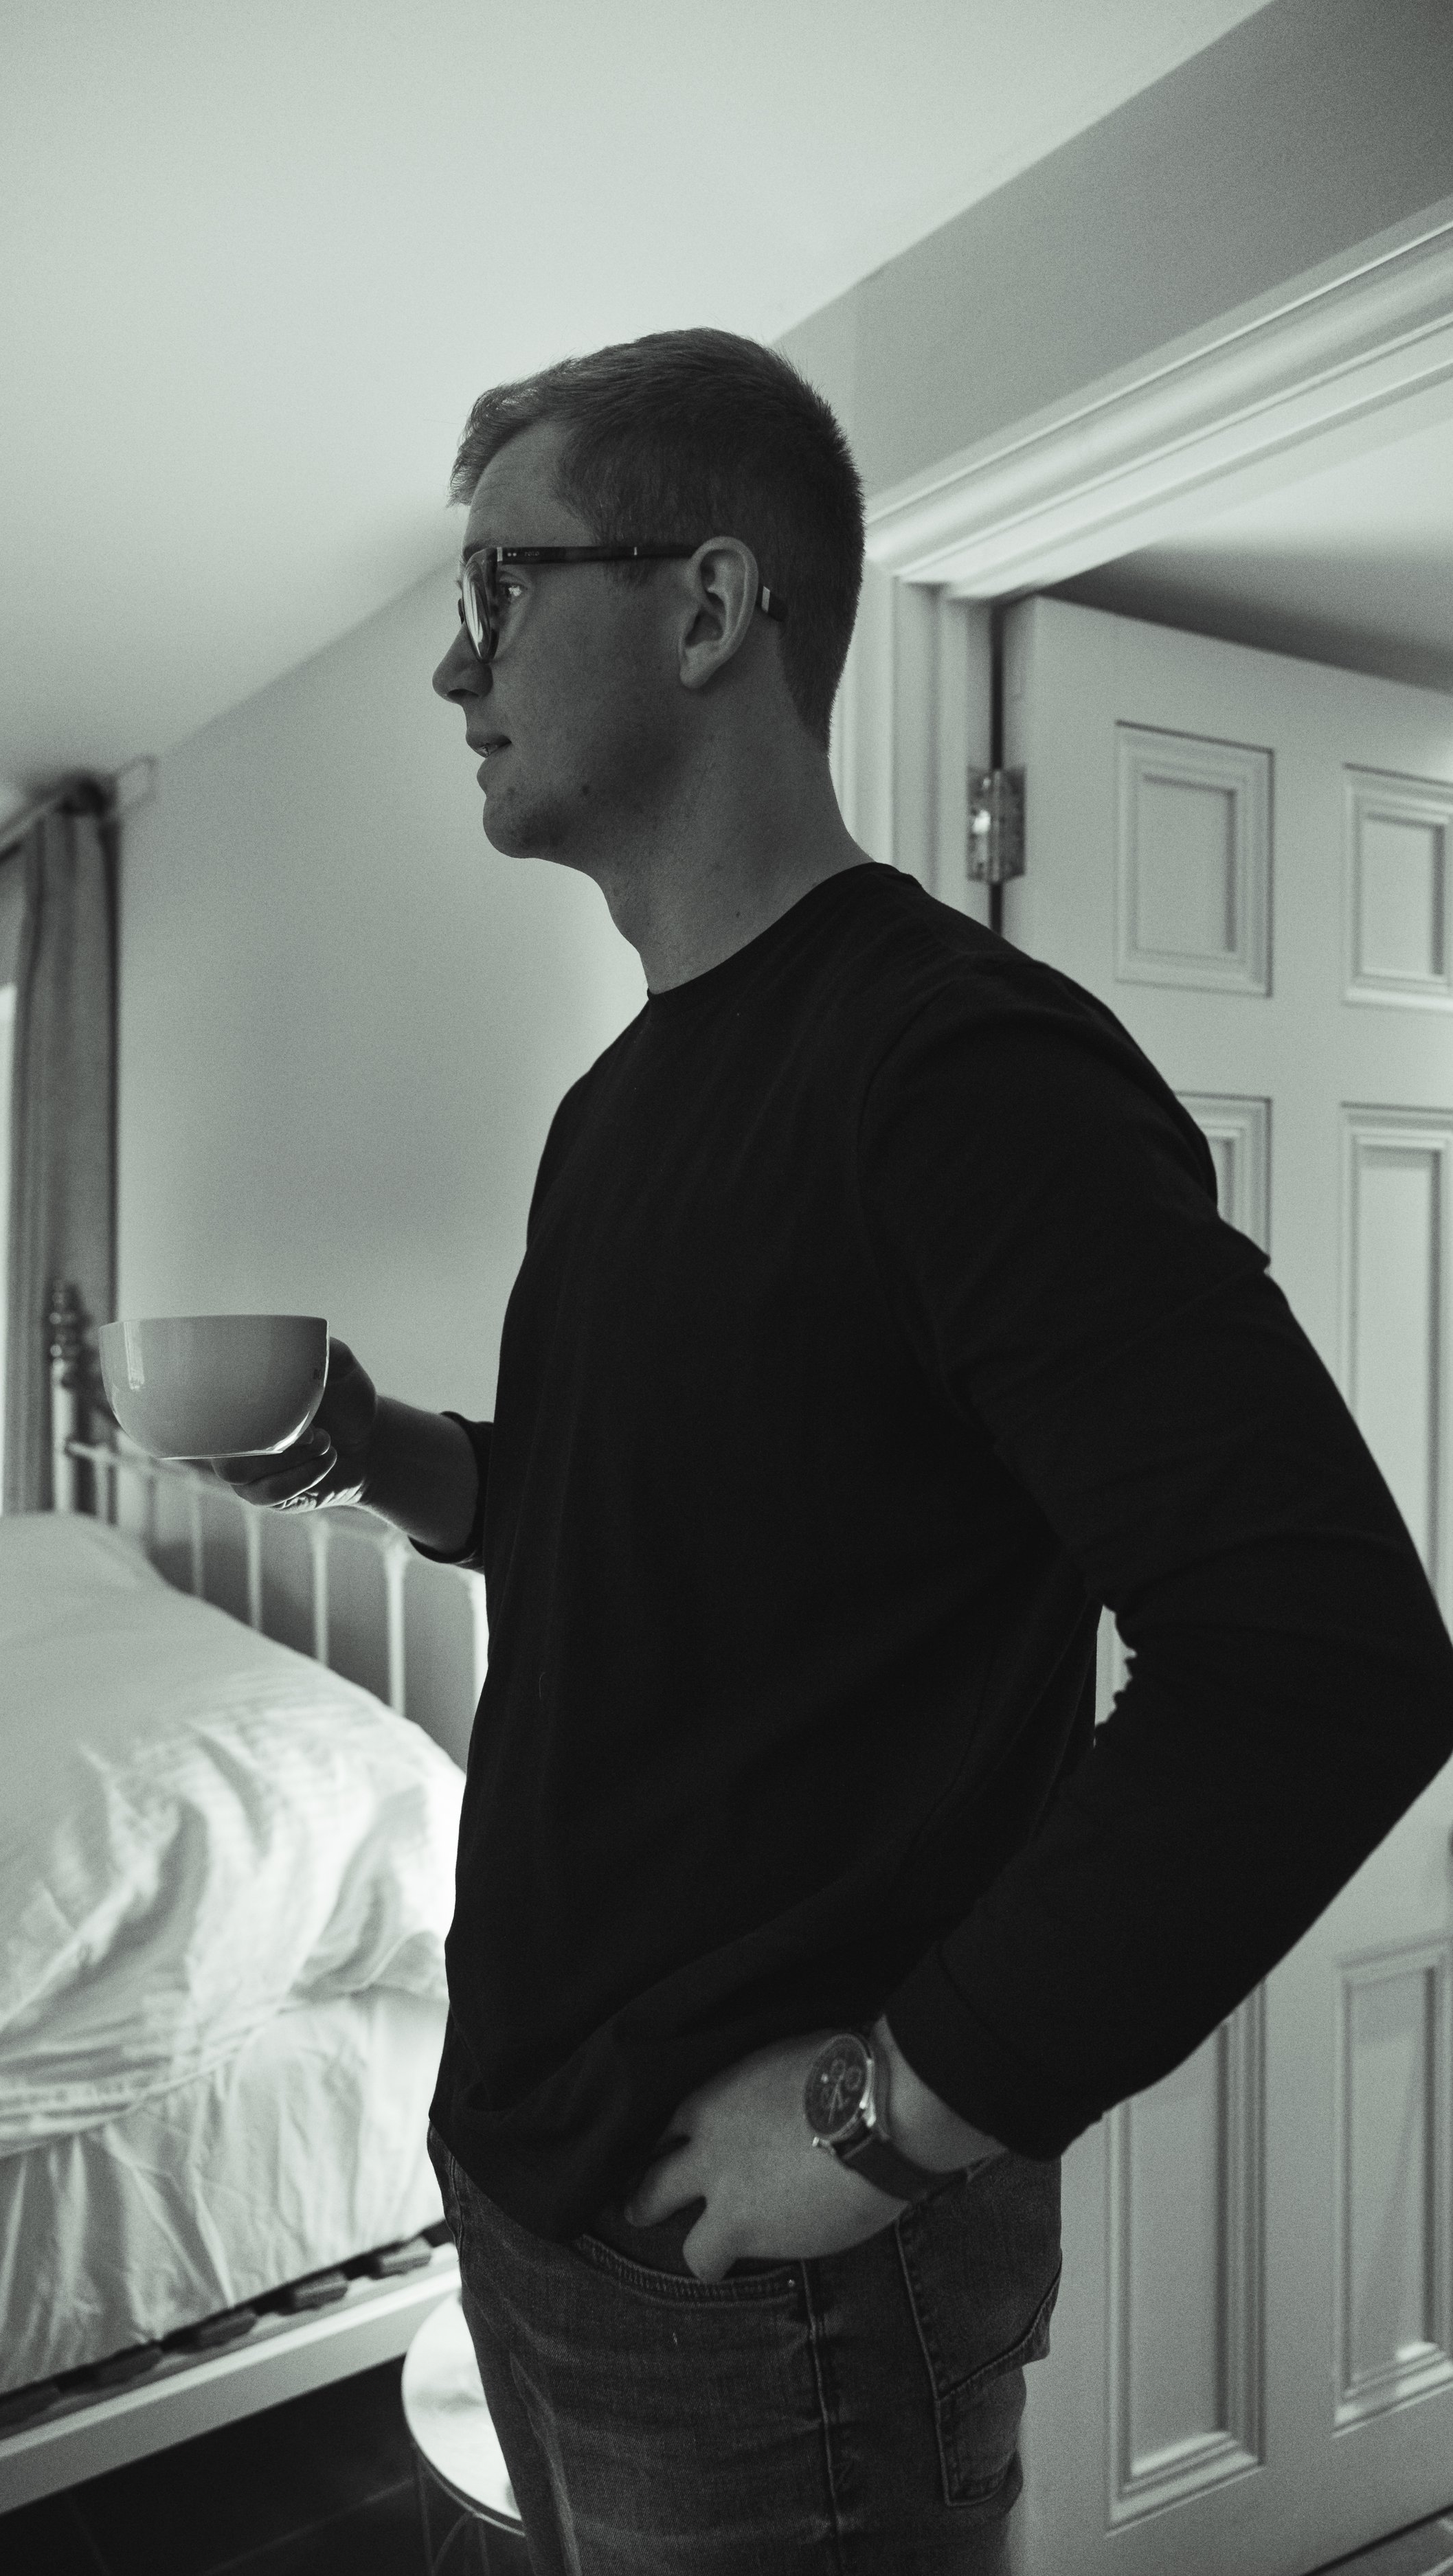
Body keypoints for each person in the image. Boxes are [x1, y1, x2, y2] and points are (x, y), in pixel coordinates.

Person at [216, 330, 1453, 2574]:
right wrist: (375, 1455)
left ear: (705, 606)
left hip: (773, 2299)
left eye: (497, 586)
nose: (452, 666)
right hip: (537, 2195)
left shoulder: (954, 1073)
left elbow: (1320, 1661)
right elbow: (640, 1529)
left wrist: (900, 2114)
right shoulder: (621, 1102)